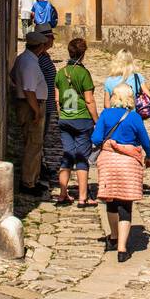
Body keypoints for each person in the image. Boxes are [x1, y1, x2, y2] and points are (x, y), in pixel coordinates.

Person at [92, 83, 150, 263]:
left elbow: (95, 138)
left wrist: (109, 143)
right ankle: (122, 249)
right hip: (128, 164)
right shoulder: (134, 117)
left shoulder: (106, 114)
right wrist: (148, 156)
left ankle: (114, 236)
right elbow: (145, 141)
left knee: (110, 200)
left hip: (109, 162)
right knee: (125, 205)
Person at [54, 36, 99, 207]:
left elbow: (57, 100)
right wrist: (97, 121)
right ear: (83, 53)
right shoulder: (83, 73)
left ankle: (62, 194)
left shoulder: (60, 73)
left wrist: (62, 116)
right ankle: (82, 197)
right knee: (81, 157)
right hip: (82, 120)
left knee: (66, 156)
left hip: (65, 119)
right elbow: (89, 100)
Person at [11, 28, 49, 194]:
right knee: (33, 144)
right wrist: (36, 111)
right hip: (31, 105)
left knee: (32, 144)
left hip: (27, 103)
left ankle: (33, 178)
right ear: (40, 46)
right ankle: (28, 183)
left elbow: (13, 77)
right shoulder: (30, 63)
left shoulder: (22, 58)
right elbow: (29, 90)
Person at [36, 26, 64, 189]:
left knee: (43, 136)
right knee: (39, 137)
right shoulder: (39, 58)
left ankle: (42, 165)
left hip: (48, 104)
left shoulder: (44, 56)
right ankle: (40, 167)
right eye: (51, 37)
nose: (53, 40)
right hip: (43, 104)